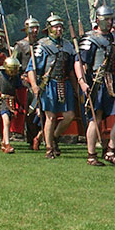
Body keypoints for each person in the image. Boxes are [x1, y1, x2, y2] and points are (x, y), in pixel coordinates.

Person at [75, 5, 115, 167]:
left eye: (111, 19)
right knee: (95, 118)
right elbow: (80, 62)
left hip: (113, 82)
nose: (110, 22)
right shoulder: (89, 39)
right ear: (98, 20)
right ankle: (92, 154)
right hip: (96, 82)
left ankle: (111, 150)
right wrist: (82, 81)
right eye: (107, 19)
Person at [28, 13, 77, 159]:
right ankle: (49, 148)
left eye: (61, 26)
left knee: (69, 116)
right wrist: (35, 86)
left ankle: (54, 137)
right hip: (49, 85)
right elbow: (32, 68)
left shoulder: (68, 45)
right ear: (49, 28)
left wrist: (75, 87)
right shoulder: (42, 45)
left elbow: (71, 70)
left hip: (65, 83)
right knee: (50, 117)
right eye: (56, 26)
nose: (59, 29)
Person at [12, 16, 42, 150]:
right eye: (32, 28)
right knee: (30, 112)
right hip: (26, 83)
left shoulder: (41, 45)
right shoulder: (20, 46)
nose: (35, 30)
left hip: (41, 81)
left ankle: (40, 137)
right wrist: (20, 77)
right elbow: (13, 64)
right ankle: (31, 139)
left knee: (42, 111)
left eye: (36, 28)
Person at [0, 57, 23, 153]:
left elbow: (18, 89)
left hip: (12, 101)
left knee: (8, 121)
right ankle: (7, 144)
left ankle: (3, 142)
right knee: (6, 121)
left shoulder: (16, 77)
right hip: (1, 100)